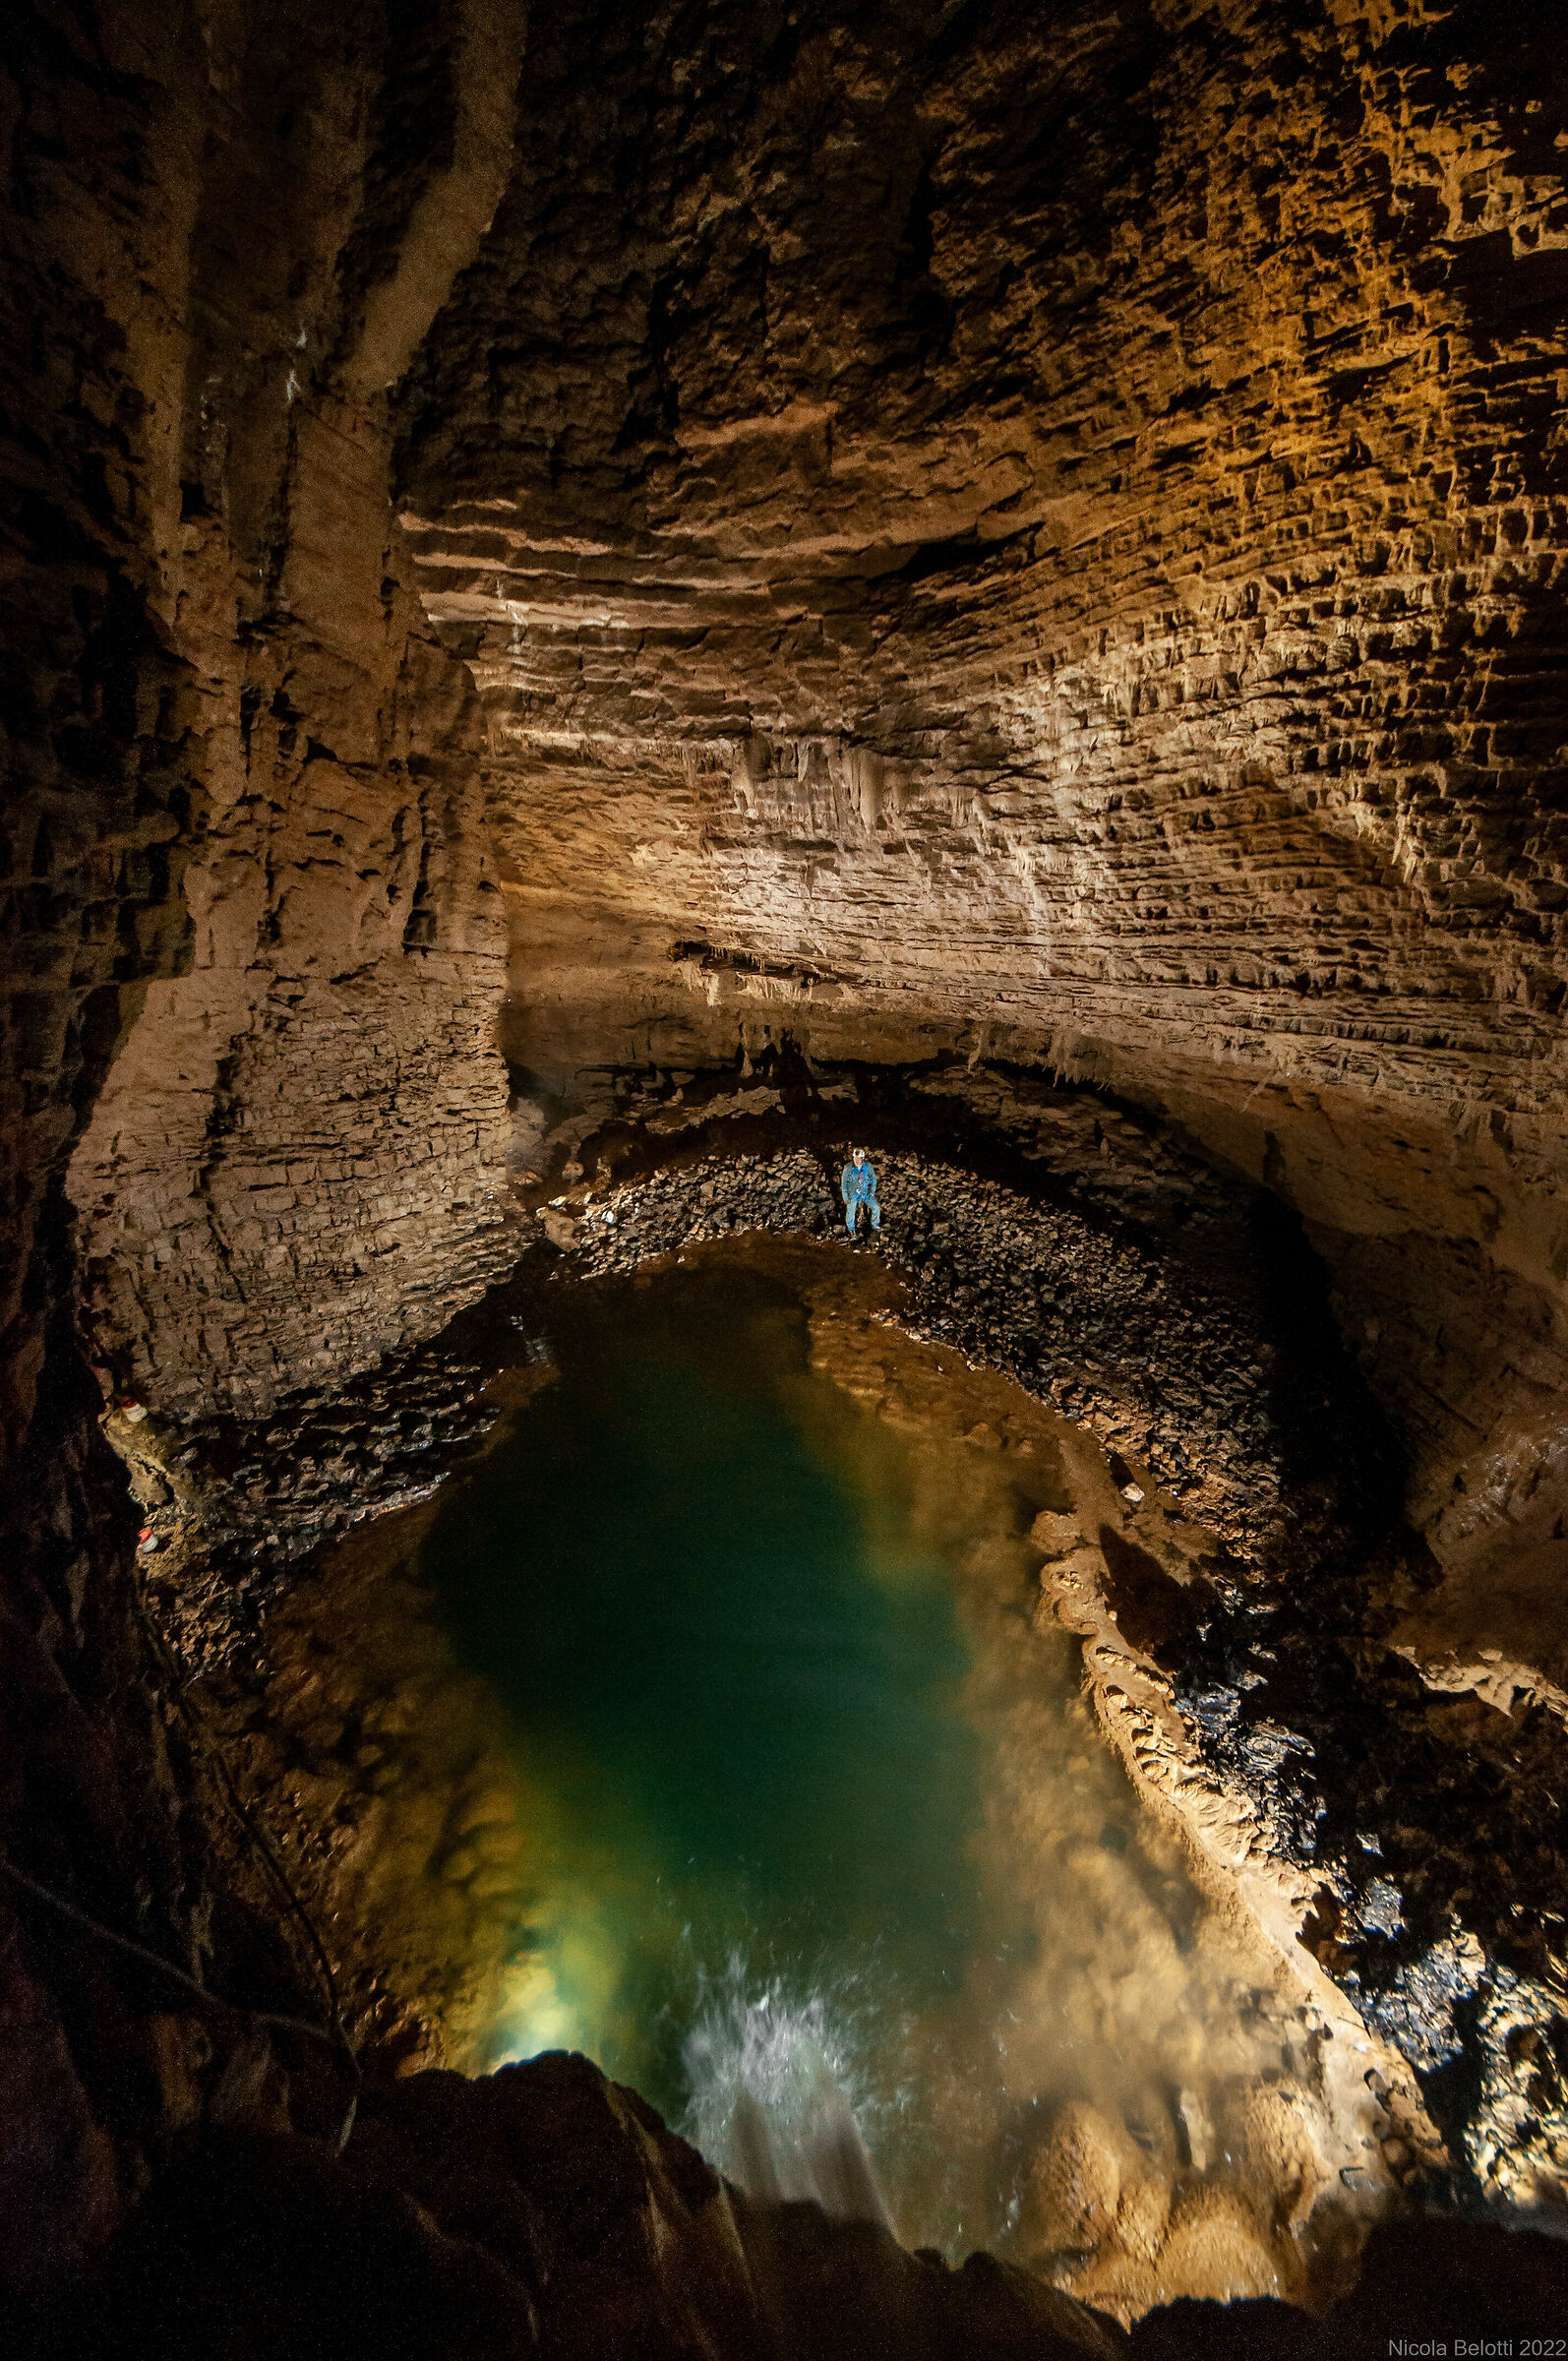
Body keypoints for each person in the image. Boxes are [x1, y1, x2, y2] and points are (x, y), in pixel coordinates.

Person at [840, 1146, 880, 1239]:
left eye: (858, 1158)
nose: (856, 1159)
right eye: (855, 1157)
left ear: (862, 1158)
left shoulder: (868, 1166)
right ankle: (851, 1231)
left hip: (865, 1193)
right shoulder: (848, 1168)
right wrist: (846, 1197)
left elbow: (873, 1180)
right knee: (850, 1213)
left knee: (876, 1208)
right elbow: (844, 1183)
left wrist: (871, 1193)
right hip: (853, 1194)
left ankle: (875, 1226)